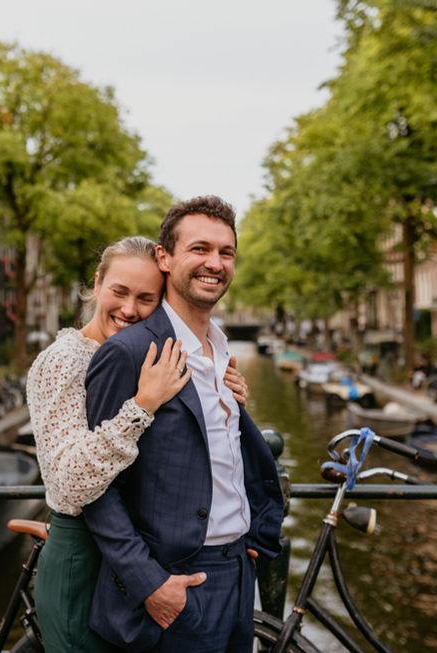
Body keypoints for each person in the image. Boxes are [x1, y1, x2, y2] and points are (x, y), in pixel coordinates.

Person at [26, 235, 251, 653]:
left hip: (131, 556)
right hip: (83, 554)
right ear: (97, 284)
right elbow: (72, 482)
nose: (129, 309)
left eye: (146, 298)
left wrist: (227, 389)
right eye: (119, 292)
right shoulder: (62, 361)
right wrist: (143, 404)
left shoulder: (146, 355)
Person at [81, 196, 285, 652]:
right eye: (199, 249)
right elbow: (96, 484)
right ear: (165, 257)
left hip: (238, 573)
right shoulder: (130, 352)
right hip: (174, 584)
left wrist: (252, 535)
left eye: (226, 252)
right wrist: (149, 583)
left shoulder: (222, 351)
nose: (214, 263)